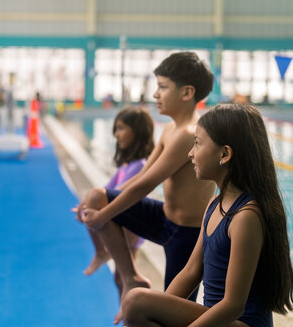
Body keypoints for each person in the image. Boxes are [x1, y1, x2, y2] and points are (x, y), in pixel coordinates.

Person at [75, 52, 216, 322]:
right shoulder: (169, 130)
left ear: (187, 93)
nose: (155, 94)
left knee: (172, 313)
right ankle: (131, 278)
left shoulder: (189, 134)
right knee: (96, 196)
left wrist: (103, 216)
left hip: (186, 237)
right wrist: (97, 205)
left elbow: (147, 185)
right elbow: (140, 176)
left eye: (162, 87)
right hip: (164, 218)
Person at [122, 103, 293, 326]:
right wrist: (157, 307)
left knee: (136, 301)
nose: (190, 153)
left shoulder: (246, 216)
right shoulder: (216, 203)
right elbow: (192, 271)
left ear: (224, 154)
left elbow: (233, 305)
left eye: (197, 144)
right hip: (217, 317)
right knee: (137, 305)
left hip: (242, 322)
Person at [74, 106, 154, 292]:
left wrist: (90, 206)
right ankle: (127, 314)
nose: (116, 135)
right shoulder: (127, 165)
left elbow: (120, 194)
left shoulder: (140, 165)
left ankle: (131, 316)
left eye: (121, 129)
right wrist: (84, 204)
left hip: (131, 226)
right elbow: (107, 189)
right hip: (123, 223)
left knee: (126, 278)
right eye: (116, 129)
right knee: (121, 278)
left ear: (138, 133)